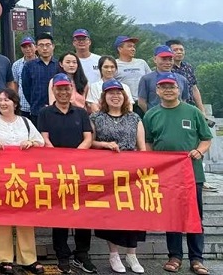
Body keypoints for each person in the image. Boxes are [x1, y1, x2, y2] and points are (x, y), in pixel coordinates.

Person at [144, 72, 213, 275]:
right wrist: (153, 161)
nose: (168, 90)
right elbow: (147, 142)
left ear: (179, 89)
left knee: (194, 217)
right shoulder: (151, 115)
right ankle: (174, 257)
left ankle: (197, 259)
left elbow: (206, 138)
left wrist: (199, 151)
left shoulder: (193, 112)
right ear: (157, 91)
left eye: (172, 87)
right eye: (163, 87)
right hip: (167, 175)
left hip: (192, 173)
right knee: (172, 216)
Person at [0, 88, 44, 275]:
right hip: (0, 177)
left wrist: (32, 143)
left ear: (15, 103)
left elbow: (40, 142)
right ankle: (4, 258)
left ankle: (28, 258)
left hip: (23, 177)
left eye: (6, 100)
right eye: (0, 100)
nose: (2, 103)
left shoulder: (26, 122)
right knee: (2, 217)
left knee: (25, 217)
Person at [37, 73, 95, 274]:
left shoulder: (81, 113)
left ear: (72, 90)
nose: (63, 92)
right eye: (59, 89)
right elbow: (44, 138)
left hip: (79, 169)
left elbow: (88, 138)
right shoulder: (45, 112)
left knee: (83, 213)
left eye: (66, 88)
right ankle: (62, 255)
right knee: (60, 213)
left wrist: (74, 157)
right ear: (53, 90)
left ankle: (82, 254)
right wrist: (60, 159)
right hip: (56, 170)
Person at [90, 79, 146, 274]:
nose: (115, 96)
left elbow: (142, 147)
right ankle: (113, 254)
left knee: (133, 212)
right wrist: (105, 145)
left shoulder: (134, 118)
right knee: (111, 212)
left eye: (118, 93)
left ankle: (132, 254)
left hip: (131, 172)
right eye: (111, 93)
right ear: (104, 96)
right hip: (107, 172)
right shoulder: (96, 117)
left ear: (124, 96)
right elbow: (90, 142)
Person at [168, 38, 217, 191]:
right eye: (175, 50)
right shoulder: (166, 69)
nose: (179, 52)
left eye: (181, 50)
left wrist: (201, 110)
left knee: (198, 143)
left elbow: (195, 89)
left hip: (191, 110)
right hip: (175, 110)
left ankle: (200, 178)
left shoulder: (188, 67)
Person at [137, 46, 191, 114]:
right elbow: (141, 101)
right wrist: (151, 115)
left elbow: (184, 100)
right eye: (164, 59)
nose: (168, 62)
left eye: (170, 59)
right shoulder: (146, 79)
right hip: (156, 116)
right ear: (155, 59)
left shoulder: (182, 79)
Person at [21, 33, 59, 124]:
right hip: (37, 111)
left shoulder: (59, 65)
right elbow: (26, 89)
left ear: (53, 46)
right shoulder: (29, 66)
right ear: (36, 47)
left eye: (48, 45)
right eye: (41, 45)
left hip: (58, 111)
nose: (45, 48)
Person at [113, 36, 151, 101]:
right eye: (129, 46)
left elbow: (150, 80)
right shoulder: (113, 65)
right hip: (124, 102)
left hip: (143, 101)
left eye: (134, 46)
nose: (133, 49)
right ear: (120, 49)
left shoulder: (142, 62)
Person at [11, 36, 36, 118]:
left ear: (35, 47)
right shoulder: (16, 65)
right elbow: (15, 84)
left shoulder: (41, 63)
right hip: (23, 106)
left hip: (38, 106)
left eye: (30, 46)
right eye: (24, 47)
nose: (28, 49)